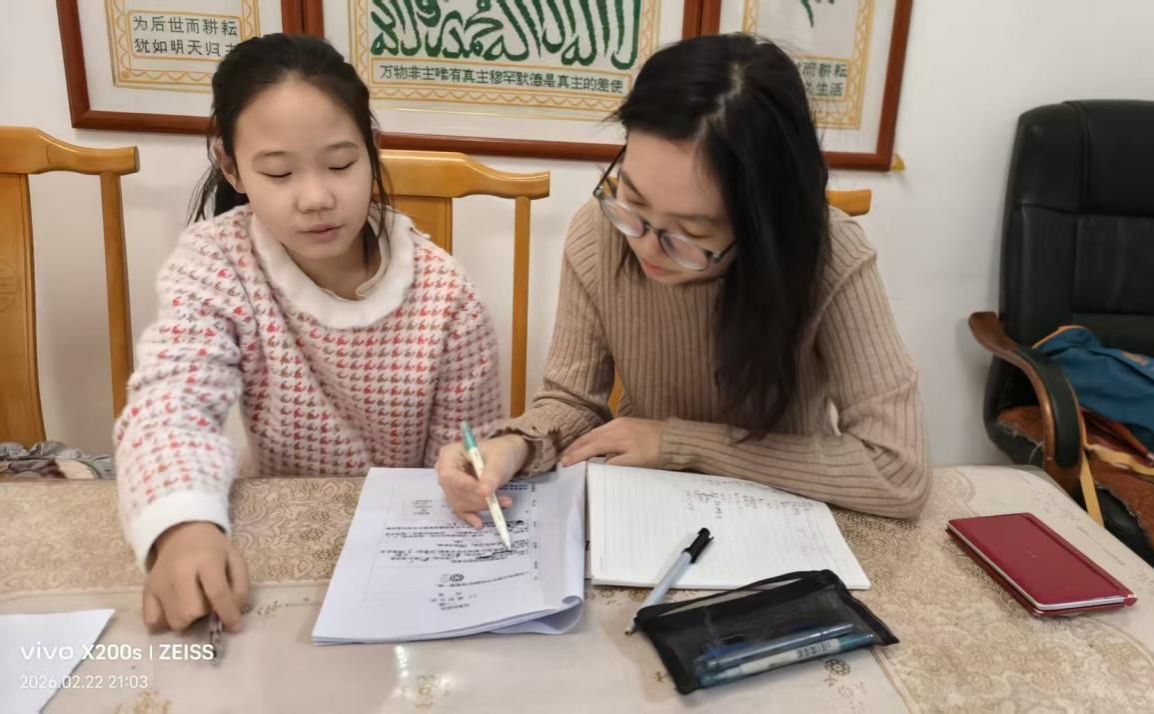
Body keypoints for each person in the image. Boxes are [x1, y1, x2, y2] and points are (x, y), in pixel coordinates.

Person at [438, 33, 929, 528]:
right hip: (647, 509)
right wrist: (514, 446)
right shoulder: (601, 231)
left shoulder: (831, 254)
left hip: (787, 517)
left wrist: (679, 444)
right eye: (633, 200)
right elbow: (573, 401)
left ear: (764, 225)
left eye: (691, 233)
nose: (646, 246)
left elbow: (897, 470)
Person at [115, 34, 503, 633]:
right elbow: (172, 402)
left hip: (404, 550)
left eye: (341, 165)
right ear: (230, 166)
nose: (317, 198)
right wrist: (182, 524)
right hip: (274, 540)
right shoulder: (218, 261)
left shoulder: (445, 295)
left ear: (373, 149)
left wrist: (466, 479)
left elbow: (464, 454)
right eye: (278, 172)